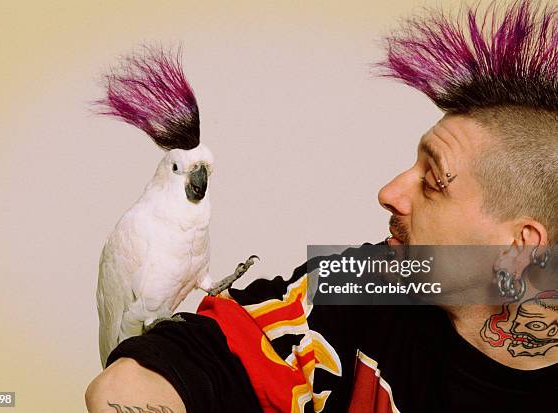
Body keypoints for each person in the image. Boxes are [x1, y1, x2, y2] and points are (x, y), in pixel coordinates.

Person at [85, 1, 557, 411]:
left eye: (432, 182)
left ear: (518, 248)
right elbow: (124, 386)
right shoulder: (370, 278)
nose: (390, 192)